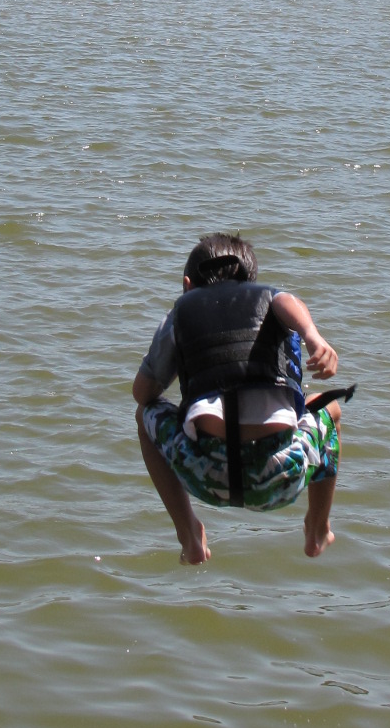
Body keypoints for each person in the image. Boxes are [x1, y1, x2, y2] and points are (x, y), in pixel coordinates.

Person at [133, 233, 352, 564]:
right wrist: (313, 337)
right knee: (329, 408)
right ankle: (318, 528)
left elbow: (143, 394)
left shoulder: (179, 316)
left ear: (187, 284)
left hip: (204, 475)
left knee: (144, 414)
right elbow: (285, 301)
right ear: (251, 283)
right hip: (281, 477)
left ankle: (189, 535)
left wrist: (186, 356)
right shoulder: (274, 303)